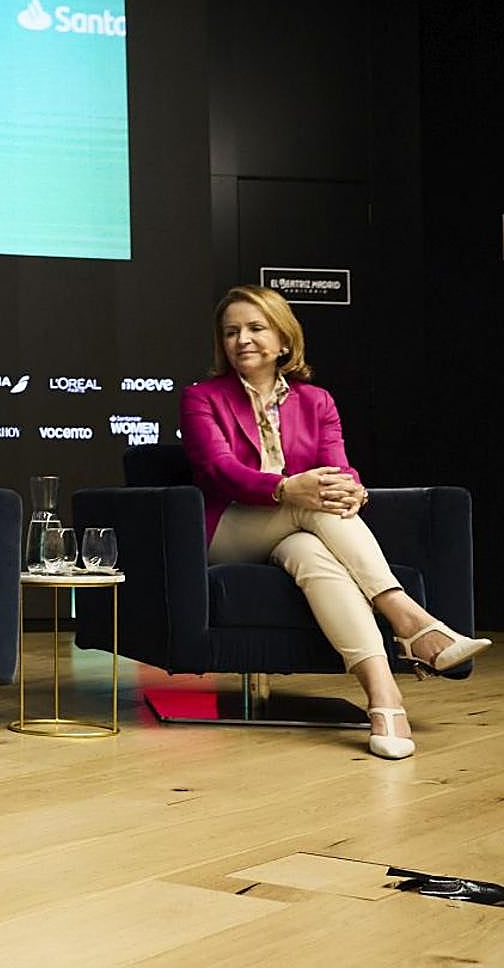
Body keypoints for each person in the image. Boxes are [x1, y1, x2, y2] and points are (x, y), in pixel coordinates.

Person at [181, 284, 490, 760]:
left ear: (284, 340)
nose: (242, 339)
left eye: (256, 328)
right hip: (229, 530)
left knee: (315, 555)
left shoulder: (317, 400)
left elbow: (338, 466)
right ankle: (409, 620)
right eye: (231, 332)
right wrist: (286, 489)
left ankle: (385, 699)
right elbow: (217, 470)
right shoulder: (203, 397)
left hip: (298, 534)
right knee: (311, 503)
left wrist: (353, 489)